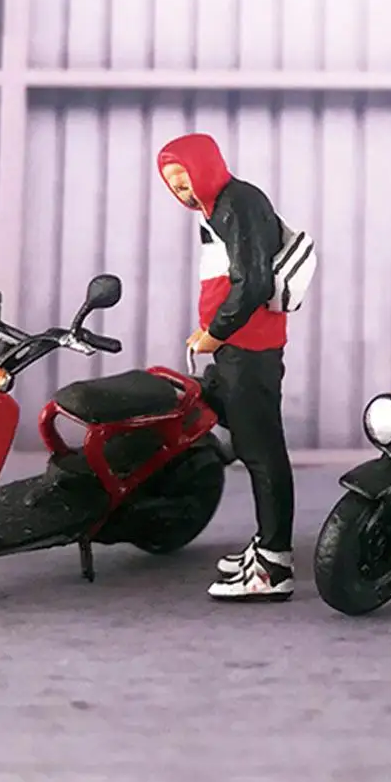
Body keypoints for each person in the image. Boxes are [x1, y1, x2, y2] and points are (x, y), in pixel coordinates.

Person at [157, 133, 295, 602]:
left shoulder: (237, 204)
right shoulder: (219, 208)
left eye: (186, 181)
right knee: (246, 435)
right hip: (236, 345)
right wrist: (212, 333)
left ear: (207, 169)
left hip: (247, 347)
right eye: (174, 186)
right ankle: (266, 546)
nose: (183, 192)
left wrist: (216, 332)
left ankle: (274, 565)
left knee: (261, 451)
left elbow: (253, 282)